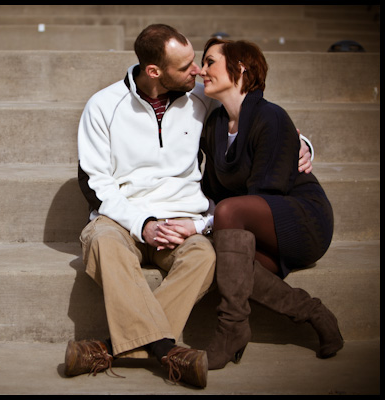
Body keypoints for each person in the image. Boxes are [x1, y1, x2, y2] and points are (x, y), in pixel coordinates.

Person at [65, 25, 313, 388]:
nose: (196, 70)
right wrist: (142, 223)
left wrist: (301, 143)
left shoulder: (201, 98)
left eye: (195, 62)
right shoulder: (103, 105)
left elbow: (253, 115)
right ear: (154, 71)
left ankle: (110, 349)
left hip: (183, 218)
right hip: (120, 218)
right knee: (102, 242)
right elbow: (96, 184)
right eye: (185, 67)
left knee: (205, 257)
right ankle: (166, 349)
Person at [194, 37, 344, 370]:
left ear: (240, 68)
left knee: (228, 213)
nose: (201, 70)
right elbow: (209, 190)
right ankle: (313, 313)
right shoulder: (215, 125)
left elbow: (266, 193)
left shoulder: (271, 117)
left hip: (302, 219)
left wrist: (214, 217)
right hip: (254, 224)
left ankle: (232, 327)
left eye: (210, 62)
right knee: (225, 259)